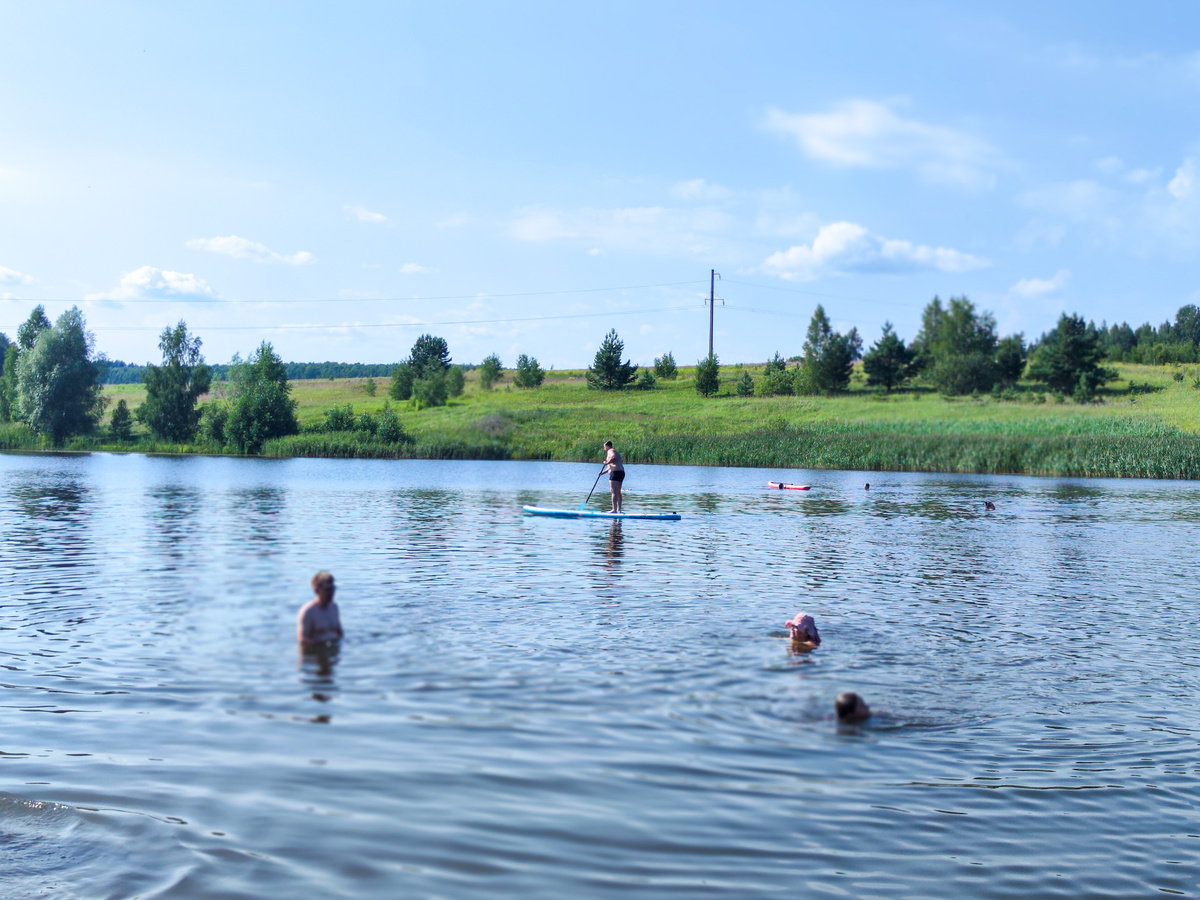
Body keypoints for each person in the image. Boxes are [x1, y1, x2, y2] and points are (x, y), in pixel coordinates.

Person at [297, 571, 343, 647]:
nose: (331, 593)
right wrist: (322, 647)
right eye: (327, 590)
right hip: (316, 654)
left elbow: (339, 633)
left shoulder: (334, 607)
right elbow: (302, 639)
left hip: (333, 653)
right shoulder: (308, 611)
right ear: (316, 590)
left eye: (332, 589)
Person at [602, 440, 625, 514]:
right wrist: (602, 473)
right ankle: (619, 510)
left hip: (616, 473)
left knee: (613, 491)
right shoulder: (614, 451)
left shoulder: (610, 451)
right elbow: (611, 466)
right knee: (618, 492)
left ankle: (614, 510)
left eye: (604, 447)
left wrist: (607, 462)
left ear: (607, 446)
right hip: (620, 472)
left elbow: (613, 458)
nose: (604, 449)